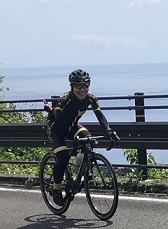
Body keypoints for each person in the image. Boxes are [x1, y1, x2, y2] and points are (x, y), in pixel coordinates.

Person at [44, 69, 120, 203]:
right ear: (72, 86)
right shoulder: (66, 98)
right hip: (56, 129)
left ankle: (81, 173)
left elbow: (100, 116)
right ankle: (56, 189)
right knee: (63, 157)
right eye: (78, 86)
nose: (82, 89)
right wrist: (51, 111)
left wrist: (109, 131)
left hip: (72, 127)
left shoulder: (91, 98)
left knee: (88, 140)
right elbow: (56, 115)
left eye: (85, 85)